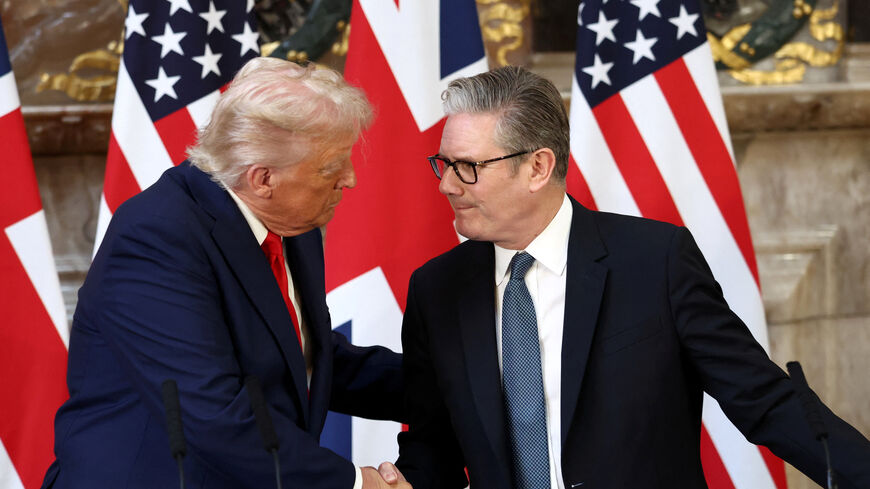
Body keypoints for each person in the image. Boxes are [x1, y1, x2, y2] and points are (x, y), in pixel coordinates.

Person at [387, 66, 870, 489]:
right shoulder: (437, 289)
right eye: (444, 164)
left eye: (468, 167)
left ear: (538, 167)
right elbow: (434, 447)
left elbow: (763, 401)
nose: (446, 184)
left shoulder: (655, 261)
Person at [42, 58, 410, 489]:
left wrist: (463, 386)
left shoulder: (288, 221)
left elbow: (299, 356)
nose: (348, 179)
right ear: (263, 179)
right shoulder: (156, 237)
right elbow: (212, 414)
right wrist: (355, 483)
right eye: (331, 168)